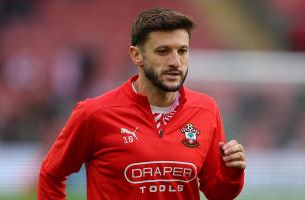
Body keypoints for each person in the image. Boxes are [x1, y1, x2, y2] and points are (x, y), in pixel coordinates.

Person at [38, 8, 246, 200]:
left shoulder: (206, 110)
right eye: (163, 51)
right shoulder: (94, 113)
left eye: (182, 51)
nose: (175, 62)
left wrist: (232, 172)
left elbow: (217, 193)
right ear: (137, 55)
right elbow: (51, 175)